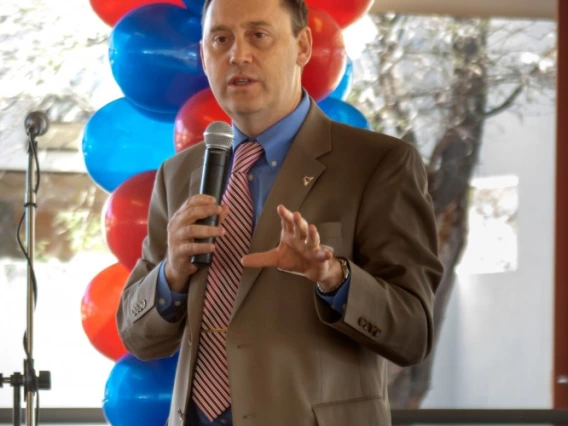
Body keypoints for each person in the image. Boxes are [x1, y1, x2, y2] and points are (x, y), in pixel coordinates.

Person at [117, 0, 443, 424]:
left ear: (303, 45)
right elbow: (136, 335)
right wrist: (171, 274)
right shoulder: (178, 174)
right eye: (221, 39)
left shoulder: (378, 163)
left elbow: (413, 332)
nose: (238, 55)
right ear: (203, 56)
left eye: (258, 35)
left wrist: (334, 278)